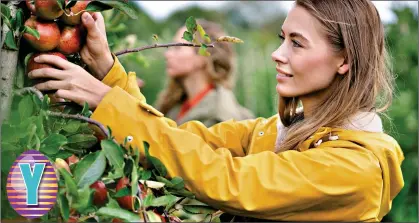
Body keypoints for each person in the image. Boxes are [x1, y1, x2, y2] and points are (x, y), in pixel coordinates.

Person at [28, 0, 404, 221]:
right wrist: (108, 73)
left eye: (297, 43)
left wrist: (107, 101)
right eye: (281, 39)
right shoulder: (276, 131)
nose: (278, 53)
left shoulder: (353, 169)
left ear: (343, 61)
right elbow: (184, 141)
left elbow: (227, 179)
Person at [155, 20, 254, 126]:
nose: (167, 54)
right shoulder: (176, 105)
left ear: (203, 57)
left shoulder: (219, 117)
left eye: (177, 47)